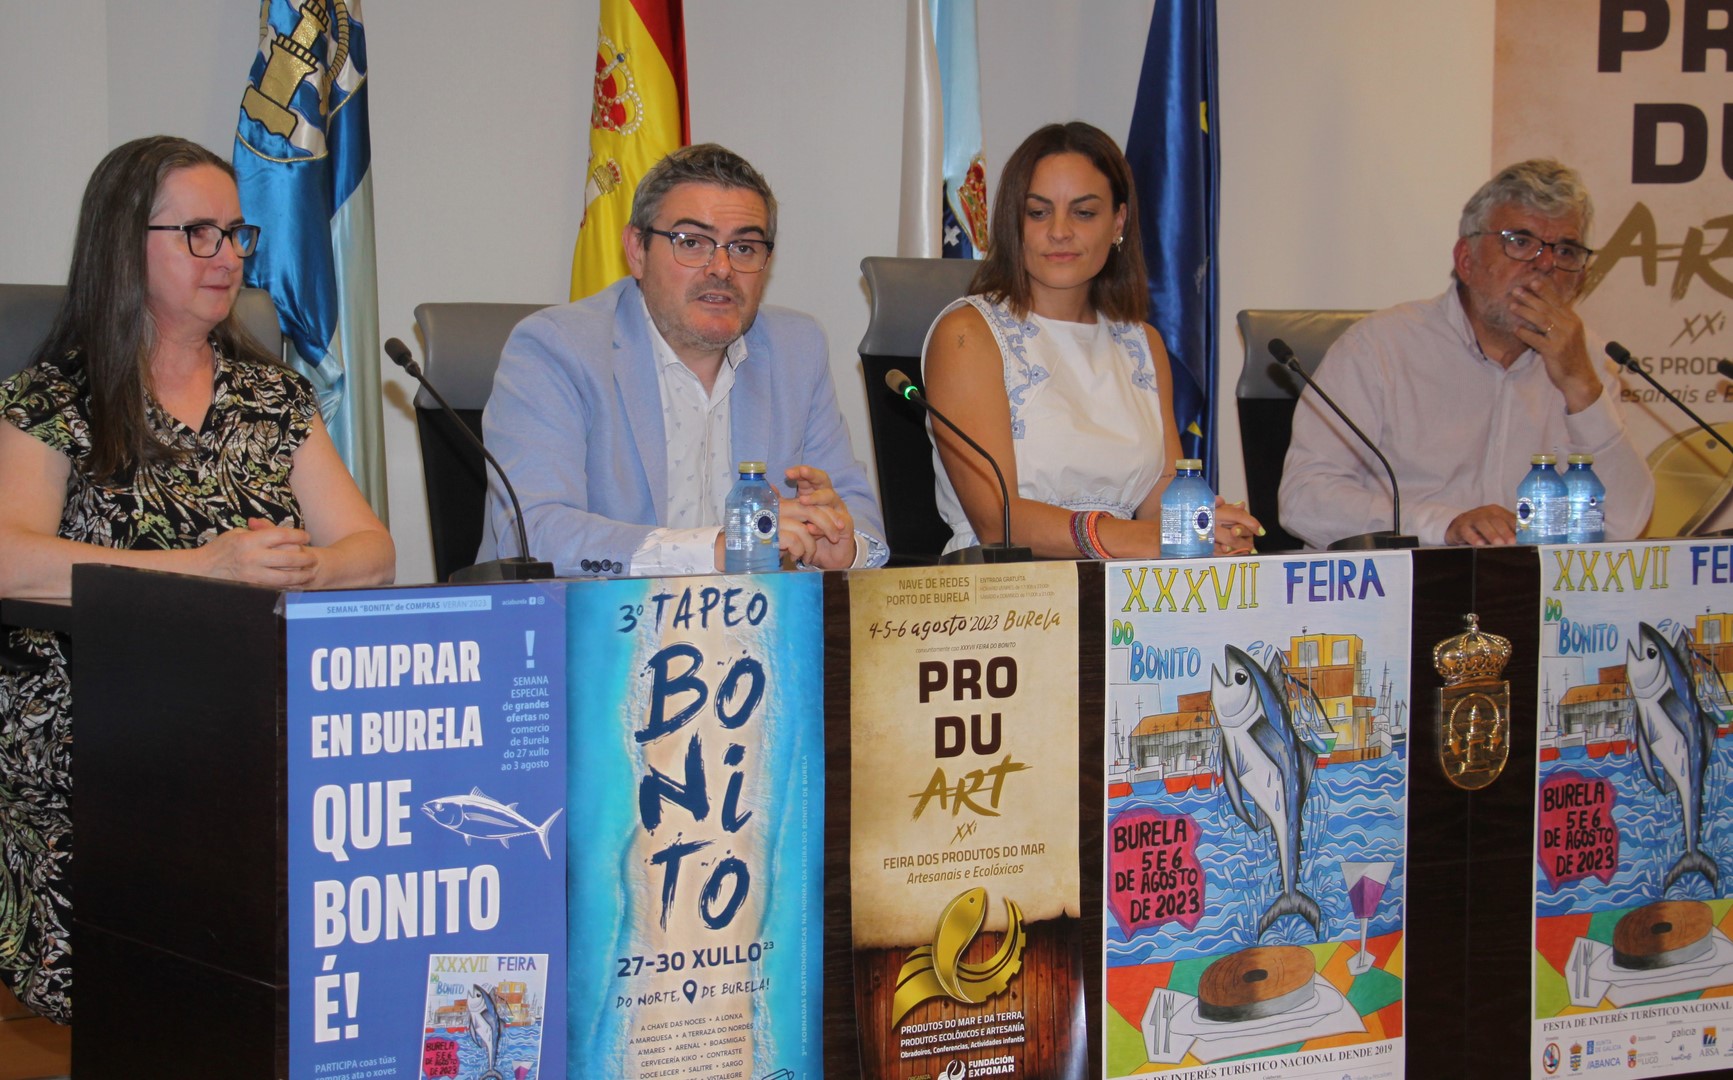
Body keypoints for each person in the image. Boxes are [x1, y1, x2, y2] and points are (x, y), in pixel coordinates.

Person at [0, 136, 395, 1023]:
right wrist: (202, 569)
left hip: (256, 728)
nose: (228, 257)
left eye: (237, 234)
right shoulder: (51, 399)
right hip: (97, 744)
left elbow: (372, 550)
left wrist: (307, 565)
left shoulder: (273, 399)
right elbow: (8, 556)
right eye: (199, 234)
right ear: (123, 244)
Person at [479, 143, 887, 576]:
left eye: (744, 248)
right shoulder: (556, 348)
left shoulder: (797, 349)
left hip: (755, 617)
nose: (722, 268)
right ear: (636, 250)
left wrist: (845, 548)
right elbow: (534, 532)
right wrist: (717, 548)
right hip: (588, 617)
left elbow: (858, 514)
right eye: (692, 242)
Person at [921, 121, 1259, 560]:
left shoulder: (1142, 343)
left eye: (1083, 213)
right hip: (1004, 585)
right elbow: (996, 518)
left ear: (1118, 222)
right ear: (1012, 223)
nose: (1059, 231)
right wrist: (1143, 538)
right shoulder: (967, 334)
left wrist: (1205, 527)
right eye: (1038, 212)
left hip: (1124, 582)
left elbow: (1159, 503)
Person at [1279, 159, 1654, 548]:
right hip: (1405, 580)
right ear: (1466, 260)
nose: (1545, 265)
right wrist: (1443, 524)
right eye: (1520, 242)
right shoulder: (1379, 349)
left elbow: (1625, 522)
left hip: (1530, 584)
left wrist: (1581, 386)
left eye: (1565, 250)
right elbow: (1305, 499)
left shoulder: (1585, 358)